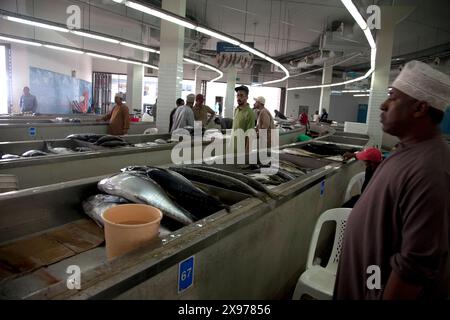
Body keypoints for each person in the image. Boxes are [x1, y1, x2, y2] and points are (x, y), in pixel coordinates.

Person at [334, 60, 450, 300]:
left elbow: (415, 267)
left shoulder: (431, 170)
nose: (384, 105)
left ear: (419, 108)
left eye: (393, 97)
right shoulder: (408, 149)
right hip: (368, 281)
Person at [231, 85, 256, 153]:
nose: (239, 98)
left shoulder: (249, 113)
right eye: (238, 95)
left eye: (241, 95)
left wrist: (246, 153)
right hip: (233, 147)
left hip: (241, 151)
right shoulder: (236, 109)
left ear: (247, 97)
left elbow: (250, 135)